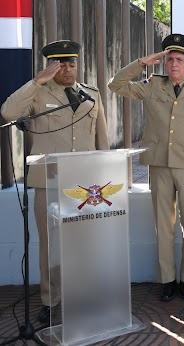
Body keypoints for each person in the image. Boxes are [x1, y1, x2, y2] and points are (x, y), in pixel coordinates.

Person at [1, 40, 108, 322]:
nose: (68, 70)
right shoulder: (37, 93)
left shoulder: (91, 94)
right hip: (48, 181)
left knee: (84, 243)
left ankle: (83, 294)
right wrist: (37, 81)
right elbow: (9, 112)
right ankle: (51, 300)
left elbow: (102, 142)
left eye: (72, 64)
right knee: (51, 246)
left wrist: (104, 177)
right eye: (61, 65)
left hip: (84, 187)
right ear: (51, 67)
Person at [108, 34, 184, 302]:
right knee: (163, 225)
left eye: (179, 60)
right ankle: (167, 279)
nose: (173, 64)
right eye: (169, 59)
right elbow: (115, 85)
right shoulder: (152, 85)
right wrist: (141, 63)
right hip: (159, 164)